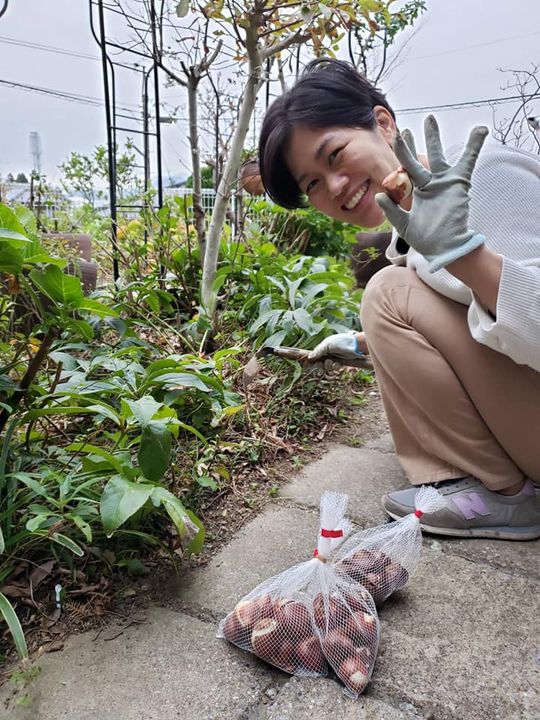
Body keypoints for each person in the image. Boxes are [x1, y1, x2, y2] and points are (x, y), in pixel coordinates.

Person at [258, 58, 540, 540]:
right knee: (389, 296)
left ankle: (507, 496)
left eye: (335, 155)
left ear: (383, 123)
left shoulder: (482, 178)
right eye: (313, 185)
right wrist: (375, 344)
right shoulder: (408, 234)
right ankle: (465, 481)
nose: (335, 187)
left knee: (388, 293)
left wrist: (465, 256)